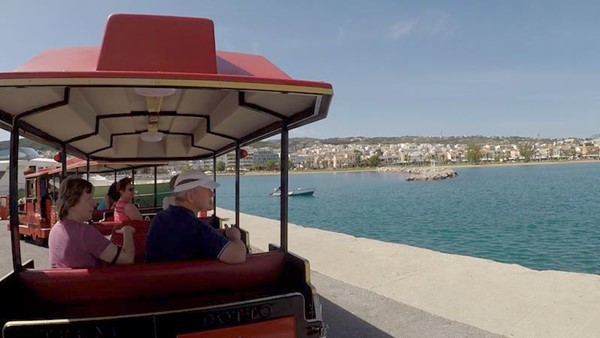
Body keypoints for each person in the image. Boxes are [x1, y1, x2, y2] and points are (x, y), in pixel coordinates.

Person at [146, 170, 246, 263]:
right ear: (190, 196)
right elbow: (238, 255)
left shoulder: (159, 218)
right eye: (207, 189)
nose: (212, 194)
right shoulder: (196, 227)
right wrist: (234, 237)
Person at [48, 176, 136, 268]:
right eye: (89, 199)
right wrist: (127, 232)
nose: (94, 203)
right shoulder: (85, 232)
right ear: (72, 203)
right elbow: (128, 259)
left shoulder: (55, 229)